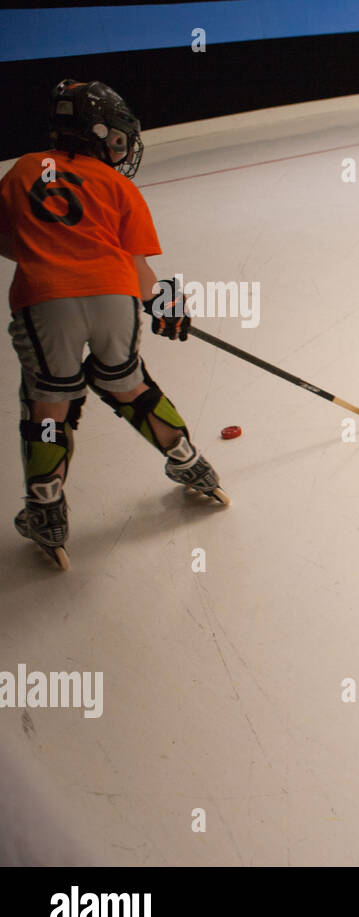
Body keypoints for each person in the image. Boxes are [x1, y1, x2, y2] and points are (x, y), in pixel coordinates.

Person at [0, 80, 226, 569]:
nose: (120, 148)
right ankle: (190, 462)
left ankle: (46, 506)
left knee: (49, 401)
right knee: (128, 383)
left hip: (45, 302)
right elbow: (141, 271)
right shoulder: (118, 185)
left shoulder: (20, 170)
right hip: (114, 296)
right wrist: (165, 304)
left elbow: (8, 243)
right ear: (95, 134)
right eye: (116, 139)